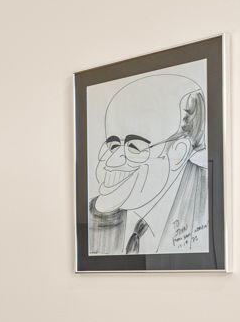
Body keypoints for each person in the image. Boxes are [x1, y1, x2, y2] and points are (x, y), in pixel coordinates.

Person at [86, 71, 210, 256]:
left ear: (179, 151)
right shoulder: (94, 215)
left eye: (134, 146)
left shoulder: (208, 202)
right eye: (112, 145)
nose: (112, 160)